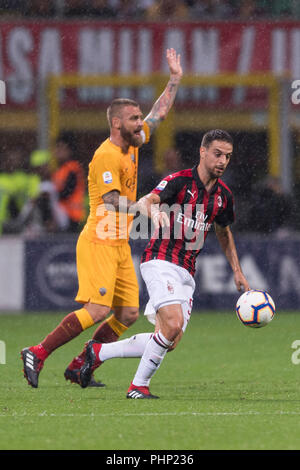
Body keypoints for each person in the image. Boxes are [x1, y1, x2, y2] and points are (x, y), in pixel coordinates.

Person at [21, 48, 183, 389]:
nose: (141, 123)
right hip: (99, 237)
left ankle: (81, 364)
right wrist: (142, 206)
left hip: (120, 241)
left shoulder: (134, 143)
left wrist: (174, 79)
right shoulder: (105, 156)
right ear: (116, 123)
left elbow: (159, 114)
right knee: (97, 309)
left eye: (139, 118)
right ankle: (37, 351)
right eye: (134, 118)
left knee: (127, 314)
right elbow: (109, 201)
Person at [78, 129, 251, 398]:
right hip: (160, 260)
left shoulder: (223, 196)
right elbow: (149, 199)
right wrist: (154, 209)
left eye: (227, 156)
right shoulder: (179, 181)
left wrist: (237, 271)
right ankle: (138, 387)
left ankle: (99, 350)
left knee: (170, 339)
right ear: (202, 152)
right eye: (217, 154)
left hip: (186, 271)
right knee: (171, 325)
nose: (222, 161)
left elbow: (224, 231)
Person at [51, 133, 86, 233]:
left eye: (61, 148)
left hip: (71, 215)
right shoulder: (60, 170)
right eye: (56, 148)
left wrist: (52, 196)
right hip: (63, 215)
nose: (57, 151)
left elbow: (66, 192)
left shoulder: (73, 168)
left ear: (69, 150)